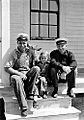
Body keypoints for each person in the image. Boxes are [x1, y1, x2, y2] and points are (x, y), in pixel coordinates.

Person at [4, 33, 40, 117]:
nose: (22, 45)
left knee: (36, 68)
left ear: (27, 43)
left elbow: (37, 63)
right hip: (18, 74)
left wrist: (34, 52)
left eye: (24, 43)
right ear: (17, 43)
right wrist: (19, 73)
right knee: (15, 78)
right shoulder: (14, 53)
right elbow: (7, 67)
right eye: (20, 43)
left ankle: (30, 92)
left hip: (28, 75)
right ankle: (24, 107)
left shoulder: (30, 51)